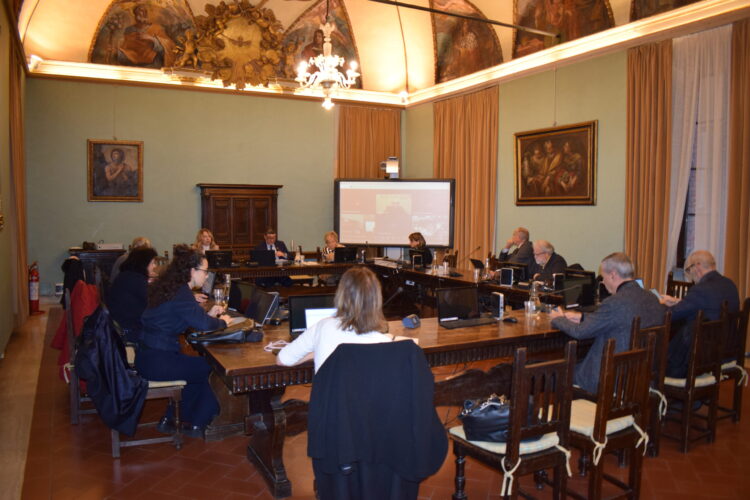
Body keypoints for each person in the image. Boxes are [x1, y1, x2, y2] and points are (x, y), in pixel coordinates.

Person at [136, 245, 232, 438]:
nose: (207, 276)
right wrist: (223, 322)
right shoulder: (181, 293)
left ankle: (172, 420)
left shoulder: (173, 287)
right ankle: (198, 423)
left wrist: (208, 315)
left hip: (149, 355)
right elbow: (202, 324)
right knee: (216, 369)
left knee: (199, 369)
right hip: (157, 360)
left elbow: (186, 317)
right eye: (205, 271)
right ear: (192, 271)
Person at [549, 252, 665, 394]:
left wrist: (557, 318)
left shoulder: (614, 302)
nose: (603, 282)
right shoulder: (652, 298)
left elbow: (580, 332)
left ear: (613, 275)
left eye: (603, 277)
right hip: (639, 376)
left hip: (610, 377)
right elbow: (620, 320)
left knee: (552, 371)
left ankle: (550, 408)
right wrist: (582, 317)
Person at [277, 266, 393, 372]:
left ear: (340, 294)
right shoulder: (385, 344)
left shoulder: (323, 327)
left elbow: (282, 360)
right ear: (377, 298)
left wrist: (315, 352)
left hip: (328, 389)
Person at [662, 250, 740, 378]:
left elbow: (672, 315)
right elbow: (710, 305)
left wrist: (660, 305)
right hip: (727, 350)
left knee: (662, 354)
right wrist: (679, 301)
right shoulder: (730, 284)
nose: (691, 276)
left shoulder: (701, 289)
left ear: (697, 267)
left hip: (705, 355)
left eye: (689, 271)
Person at [107, 247, 158, 343]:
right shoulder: (136, 280)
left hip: (123, 326)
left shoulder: (127, 276)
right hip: (130, 331)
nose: (154, 266)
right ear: (143, 264)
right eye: (152, 263)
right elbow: (155, 302)